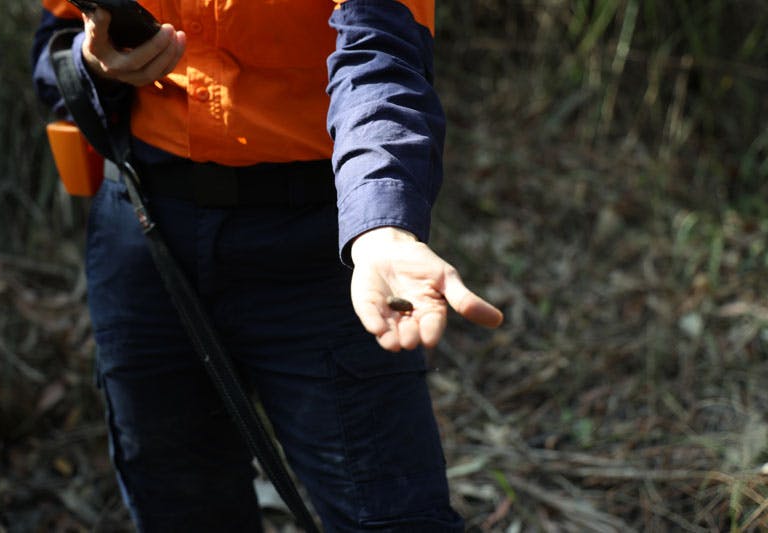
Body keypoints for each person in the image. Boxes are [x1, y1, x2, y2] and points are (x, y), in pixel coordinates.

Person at [32, 1, 503, 530]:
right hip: (145, 232)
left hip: (322, 244)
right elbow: (56, 44)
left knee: (391, 518)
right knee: (178, 507)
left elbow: (380, 55)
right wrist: (93, 62)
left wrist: (380, 227)